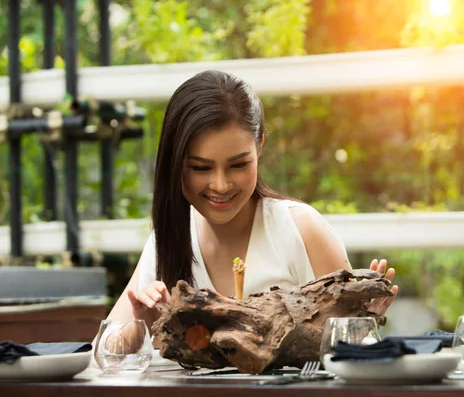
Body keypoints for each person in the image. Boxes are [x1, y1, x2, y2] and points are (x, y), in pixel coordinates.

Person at [105, 70, 398, 329]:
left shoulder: (301, 230)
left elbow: (353, 355)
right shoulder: (169, 238)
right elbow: (104, 350)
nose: (220, 185)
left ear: (259, 147)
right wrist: (139, 323)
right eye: (200, 168)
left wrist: (362, 324)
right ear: (175, 163)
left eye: (238, 165)